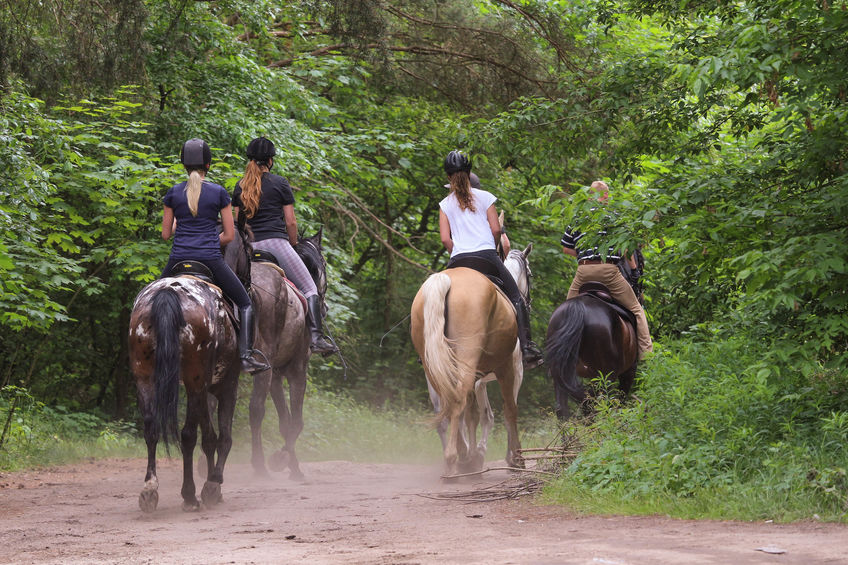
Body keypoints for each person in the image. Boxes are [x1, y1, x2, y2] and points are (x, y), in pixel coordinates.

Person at [160, 138, 270, 373]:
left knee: (150, 299)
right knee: (245, 303)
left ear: (183, 166)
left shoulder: (172, 194)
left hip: (177, 259)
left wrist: (183, 226)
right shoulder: (219, 193)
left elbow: (166, 234)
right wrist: (209, 241)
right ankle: (246, 356)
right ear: (208, 165)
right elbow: (230, 236)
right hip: (210, 260)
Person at [232, 136, 338, 356]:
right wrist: (293, 244)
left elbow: (237, 225)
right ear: (270, 161)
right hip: (276, 244)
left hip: (249, 247)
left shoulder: (240, 186)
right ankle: (317, 339)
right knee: (310, 288)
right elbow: (291, 221)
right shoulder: (280, 183)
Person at [438, 150, 543, 369]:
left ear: (448, 177)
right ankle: (527, 348)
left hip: (458, 259)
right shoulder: (486, 197)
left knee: (439, 297)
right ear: (469, 173)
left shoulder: (444, 204)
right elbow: (496, 229)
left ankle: (434, 344)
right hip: (486, 257)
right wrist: (490, 247)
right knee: (516, 296)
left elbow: (445, 239)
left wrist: (456, 253)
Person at [560, 180, 653, 359]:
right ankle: (647, 357)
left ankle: (562, 356)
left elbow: (566, 248)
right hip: (609, 272)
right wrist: (634, 271)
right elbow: (626, 249)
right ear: (606, 196)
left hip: (584, 273)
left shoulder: (579, 217)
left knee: (566, 311)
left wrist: (583, 255)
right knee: (636, 309)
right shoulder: (615, 216)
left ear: (590, 196)